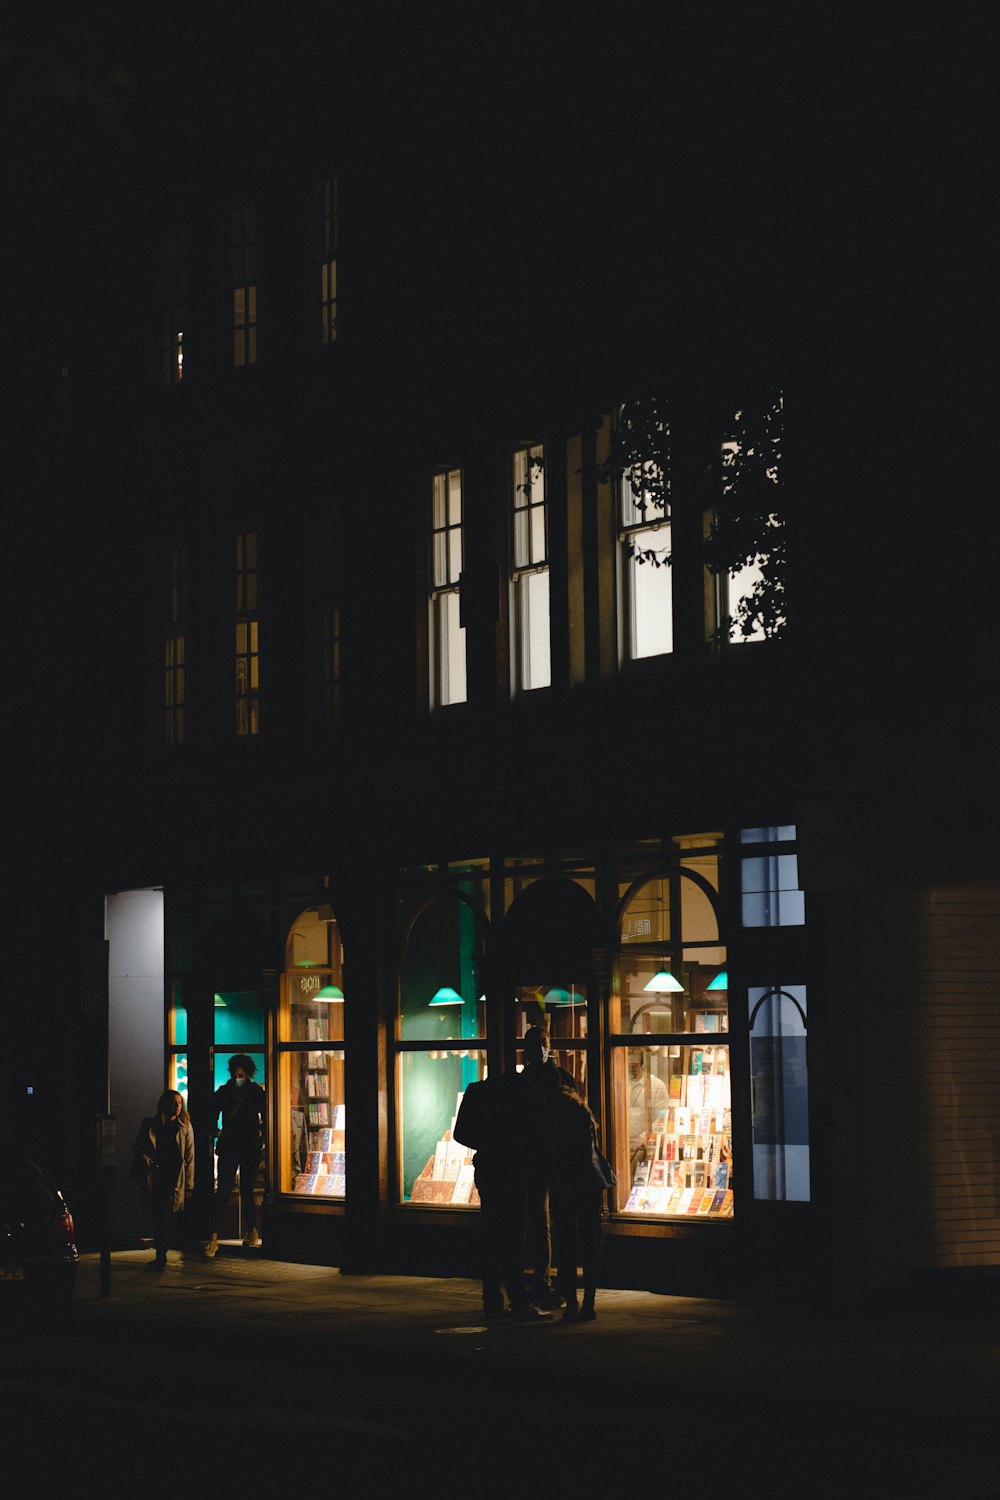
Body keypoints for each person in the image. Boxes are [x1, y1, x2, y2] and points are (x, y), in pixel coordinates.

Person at [453, 1072, 551, 1323]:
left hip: (487, 1168)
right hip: (510, 1170)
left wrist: (487, 1144)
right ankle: (518, 1301)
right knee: (513, 1238)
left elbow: (461, 1133)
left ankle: (493, 1302)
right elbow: (534, 1132)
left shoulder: (476, 1092)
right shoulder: (519, 1091)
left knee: (492, 1236)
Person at [520, 1025, 577, 1309]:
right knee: (542, 1222)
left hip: (553, 1161)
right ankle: (546, 1281)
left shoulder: (552, 1079)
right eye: (535, 1044)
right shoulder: (549, 1080)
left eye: (541, 1043)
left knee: (553, 1223)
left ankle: (557, 1284)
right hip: (541, 1162)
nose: (539, 1049)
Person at [542, 1082, 605, 1322]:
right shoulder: (584, 1116)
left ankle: (571, 1303)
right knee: (589, 1244)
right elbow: (592, 1152)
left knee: (565, 1247)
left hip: (563, 1186)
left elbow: (547, 1154)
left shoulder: (552, 1122)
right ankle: (588, 1303)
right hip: (589, 1184)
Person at [203, 1054, 266, 1257]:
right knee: (234, 1190)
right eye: (235, 1073)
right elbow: (264, 1117)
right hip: (248, 1145)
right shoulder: (255, 1092)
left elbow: (211, 1115)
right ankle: (235, 1233)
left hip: (236, 1145)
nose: (237, 1077)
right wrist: (262, 1135)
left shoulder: (225, 1092)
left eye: (240, 1074)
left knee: (237, 1190)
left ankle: (240, 1232)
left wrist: (217, 1132)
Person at [132, 1089, 195, 1269]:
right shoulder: (151, 1125)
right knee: (159, 1214)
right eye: (174, 1103)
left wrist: (190, 1185)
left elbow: (190, 1157)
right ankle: (162, 1252)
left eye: (180, 1103)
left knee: (163, 1214)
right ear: (164, 1104)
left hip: (174, 1177)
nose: (177, 1106)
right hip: (156, 1175)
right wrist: (143, 1156)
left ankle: (161, 1255)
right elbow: (137, 1147)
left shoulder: (184, 1126)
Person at [628, 1052, 670, 1153]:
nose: (633, 1068)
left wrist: (643, 1138)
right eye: (630, 1063)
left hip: (645, 1147)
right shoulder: (619, 1084)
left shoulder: (657, 1086)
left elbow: (662, 1117)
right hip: (621, 1145)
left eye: (636, 1063)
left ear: (643, 1064)